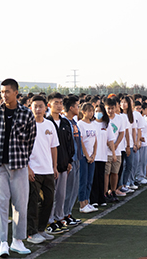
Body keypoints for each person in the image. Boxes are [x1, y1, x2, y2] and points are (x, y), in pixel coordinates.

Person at [0, 79, 36, 257]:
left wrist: (23, 157)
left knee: (20, 204)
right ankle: (2, 242)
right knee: (0, 204)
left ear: (16, 92)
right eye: (2, 92)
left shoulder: (26, 113)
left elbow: (31, 139)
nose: (4, 95)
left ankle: (17, 240)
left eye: (7, 91)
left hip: (19, 164)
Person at [27, 95, 59, 243]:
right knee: (32, 203)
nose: (38, 109)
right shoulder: (27, 125)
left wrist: (54, 166)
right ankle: (31, 233)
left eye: (41, 106)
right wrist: (27, 168)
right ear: (30, 107)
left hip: (48, 170)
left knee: (49, 201)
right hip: (33, 170)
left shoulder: (50, 125)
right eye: (35, 106)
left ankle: (41, 229)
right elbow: (21, 149)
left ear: (46, 107)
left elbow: (53, 147)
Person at [46, 92, 74, 234]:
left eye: (60, 103)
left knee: (61, 195)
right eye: (56, 102)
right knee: (51, 195)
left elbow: (69, 143)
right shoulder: (46, 122)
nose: (58, 105)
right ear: (49, 104)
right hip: (49, 167)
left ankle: (58, 218)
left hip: (63, 164)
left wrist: (69, 160)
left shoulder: (65, 122)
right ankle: (49, 221)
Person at [62, 95, 82, 227]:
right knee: (67, 190)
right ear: (71, 107)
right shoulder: (65, 122)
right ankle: (63, 215)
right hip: (70, 161)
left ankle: (68, 214)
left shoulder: (73, 122)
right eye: (77, 106)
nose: (79, 108)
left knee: (74, 189)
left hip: (77, 159)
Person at [91, 104, 116, 206]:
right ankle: (93, 200)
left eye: (100, 111)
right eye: (96, 111)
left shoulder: (106, 124)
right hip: (93, 156)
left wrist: (114, 154)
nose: (98, 113)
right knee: (94, 178)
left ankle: (101, 199)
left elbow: (110, 140)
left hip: (102, 155)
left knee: (101, 178)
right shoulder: (91, 123)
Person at [77, 103, 98, 213]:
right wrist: (86, 155)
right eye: (89, 111)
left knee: (90, 180)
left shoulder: (93, 124)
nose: (91, 113)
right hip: (83, 157)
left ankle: (87, 201)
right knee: (83, 180)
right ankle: (82, 204)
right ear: (83, 112)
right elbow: (81, 142)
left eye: (92, 111)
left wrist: (94, 154)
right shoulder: (80, 124)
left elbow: (95, 140)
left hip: (91, 156)